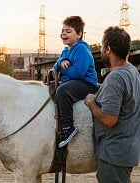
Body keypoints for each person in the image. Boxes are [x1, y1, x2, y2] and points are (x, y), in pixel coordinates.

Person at [85, 26, 140, 183]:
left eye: (102, 46)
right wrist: (103, 88)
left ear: (108, 49)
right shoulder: (132, 72)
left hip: (114, 156)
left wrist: (91, 103)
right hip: (126, 151)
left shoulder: (115, 78)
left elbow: (109, 119)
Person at [53, 16, 98, 148]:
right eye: (62, 30)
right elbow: (56, 67)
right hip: (74, 81)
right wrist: (61, 62)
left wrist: (62, 68)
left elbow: (79, 73)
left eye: (68, 31)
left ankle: (68, 128)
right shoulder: (66, 50)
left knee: (63, 91)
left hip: (86, 84)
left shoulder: (81, 49)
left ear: (79, 34)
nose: (63, 33)